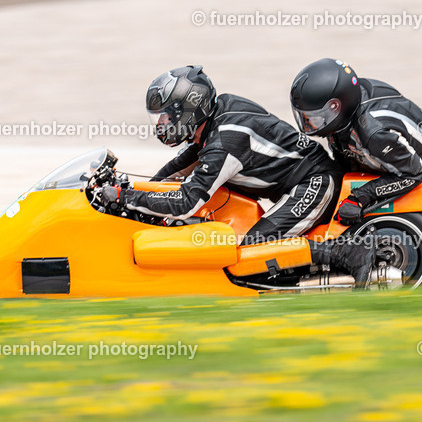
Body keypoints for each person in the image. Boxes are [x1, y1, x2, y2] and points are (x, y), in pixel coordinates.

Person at [97, 65, 376, 283]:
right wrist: (142, 189)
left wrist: (125, 197)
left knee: (253, 250)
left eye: (167, 116)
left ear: (189, 111)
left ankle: (348, 253)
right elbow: (185, 163)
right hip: (298, 181)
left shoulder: (225, 143)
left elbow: (185, 202)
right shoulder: (216, 118)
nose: (161, 124)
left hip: (314, 180)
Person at [289, 58, 422, 268]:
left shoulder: (374, 133)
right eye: (305, 117)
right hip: (389, 151)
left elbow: (413, 174)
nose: (308, 124)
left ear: (337, 107)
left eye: (315, 118)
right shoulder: (348, 106)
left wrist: (361, 197)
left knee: (354, 209)